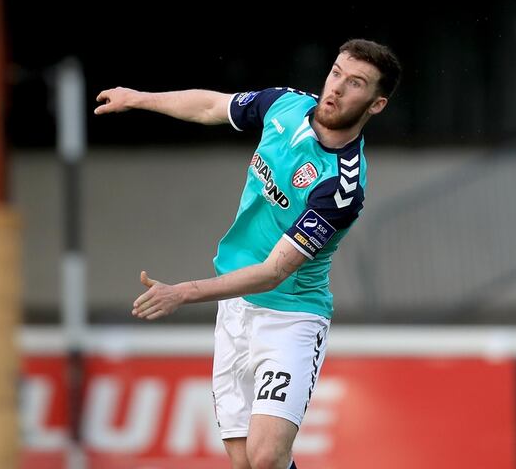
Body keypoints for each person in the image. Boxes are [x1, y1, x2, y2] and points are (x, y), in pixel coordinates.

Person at [93, 39, 401, 469]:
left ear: (376, 104)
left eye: (355, 84)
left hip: (290, 315)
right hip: (234, 308)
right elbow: (210, 107)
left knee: (266, 456)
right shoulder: (285, 105)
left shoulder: (341, 186)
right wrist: (139, 99)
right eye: (336, 73)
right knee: (245, 465)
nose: (336, 88)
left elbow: (274, 272)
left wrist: (183, 293)